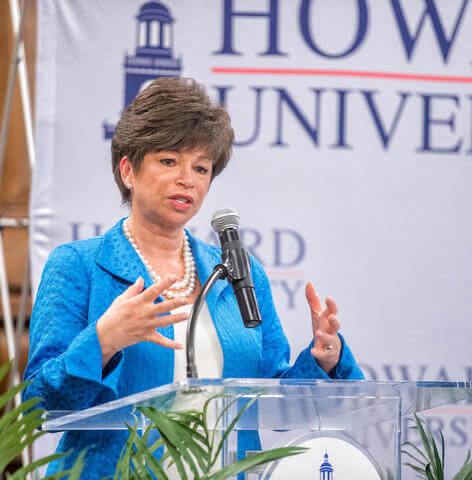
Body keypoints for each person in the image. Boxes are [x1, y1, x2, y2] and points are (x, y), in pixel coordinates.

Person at [23, 77, 364, 479]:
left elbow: (276, 403)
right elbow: (39, 403)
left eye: (201, 168)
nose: (188, 179)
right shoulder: (78, 265)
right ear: (129, 170)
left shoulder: (240, 273)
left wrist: (324, 359)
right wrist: (104, 341)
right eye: (169, 161)